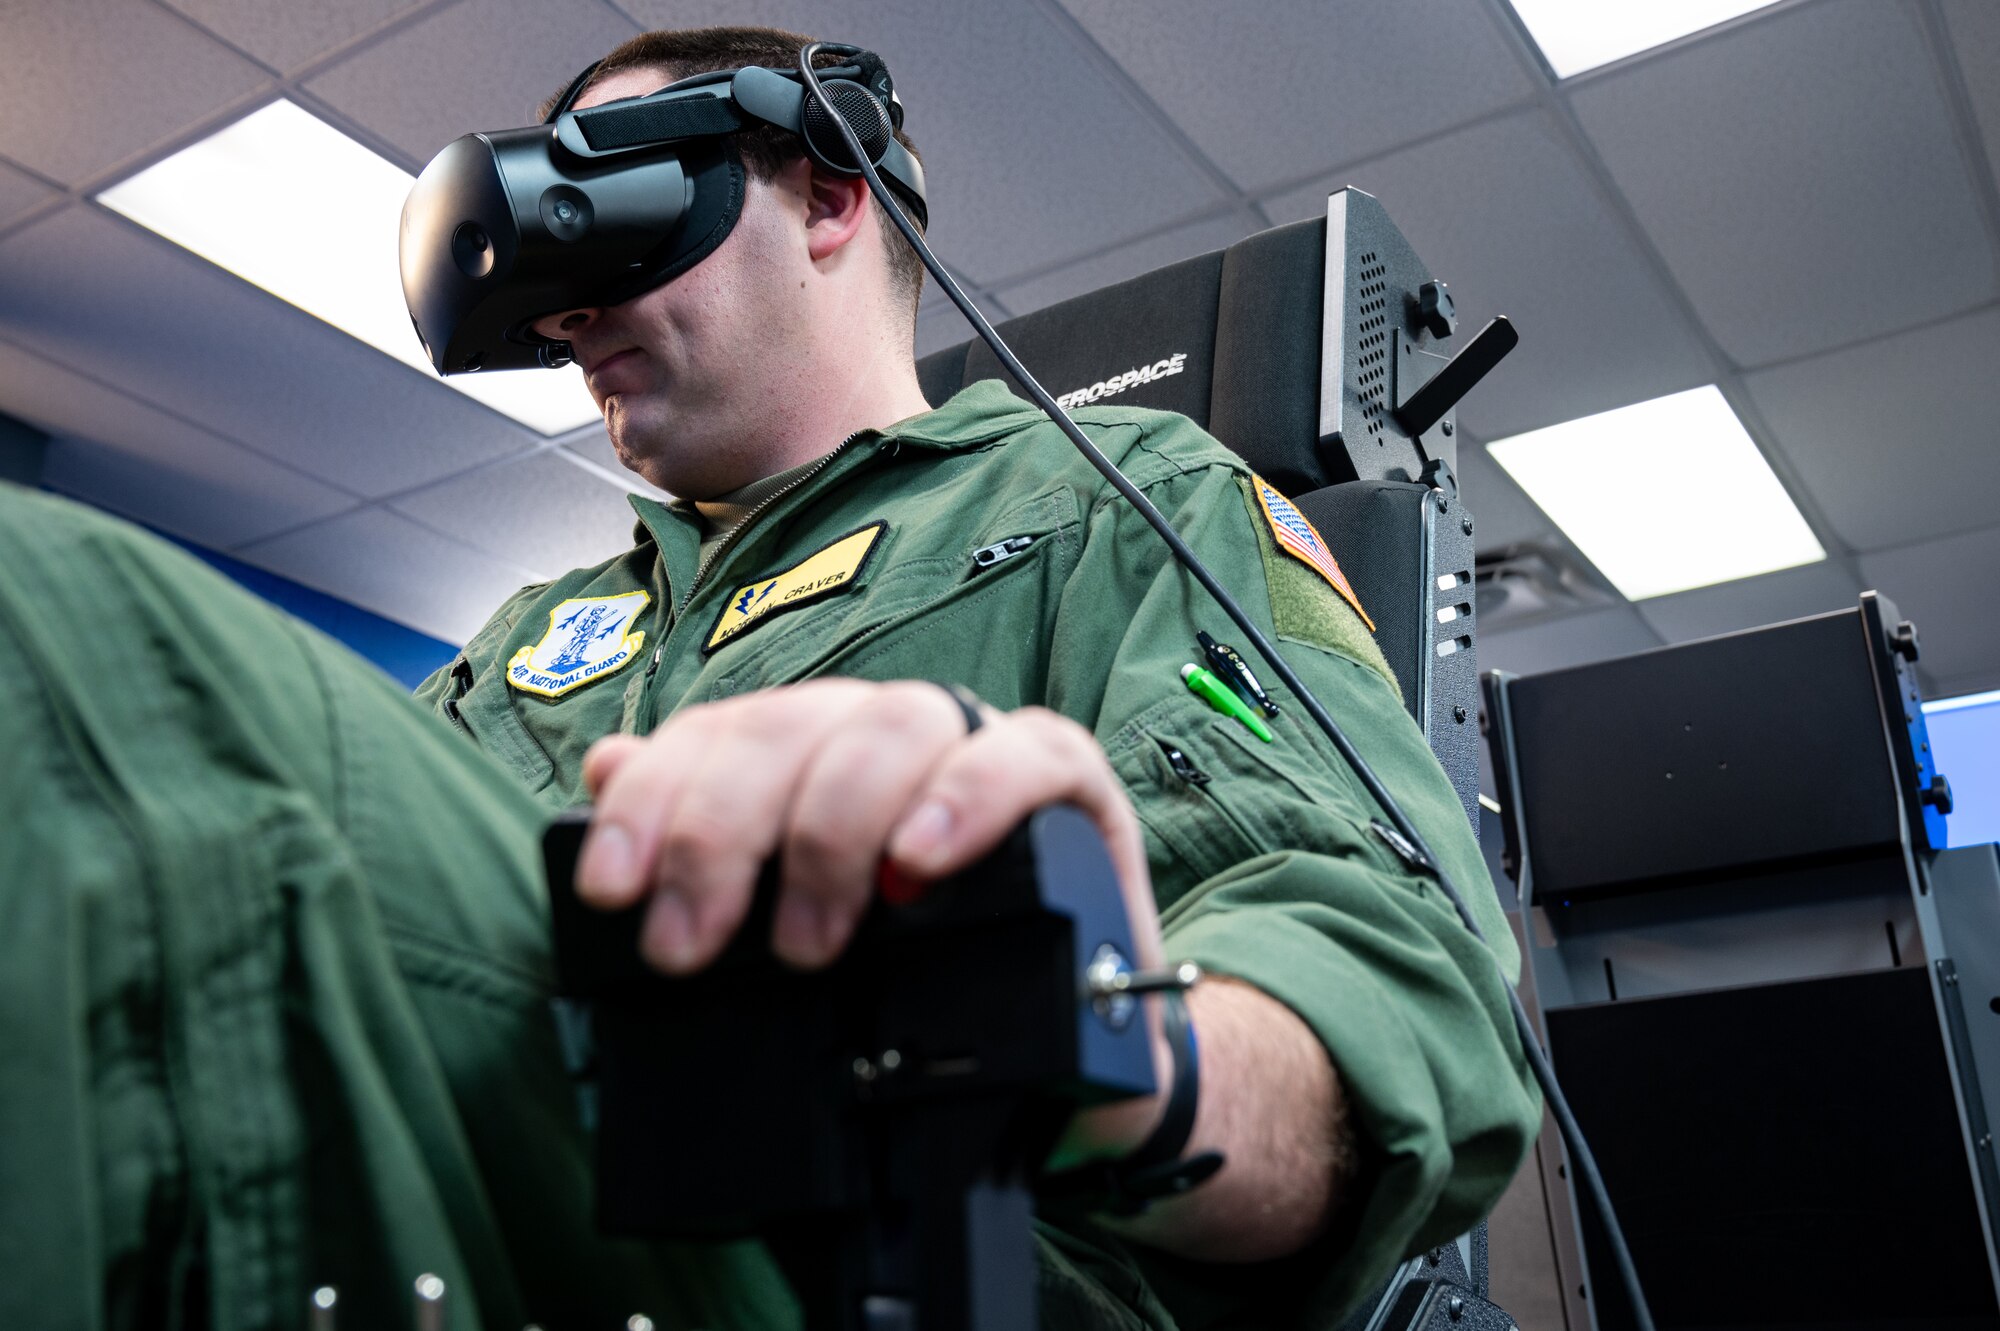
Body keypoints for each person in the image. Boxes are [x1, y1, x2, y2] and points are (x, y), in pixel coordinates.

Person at [0, 23, 1538, 1331]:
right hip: (461, 1193)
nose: (566, 308)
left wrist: (1082, 1039)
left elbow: (1388, 977)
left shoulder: (1105, 501)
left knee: (56, 616)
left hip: (856, 1247)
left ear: (830, 193)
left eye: (612, 219)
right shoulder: (530, 640)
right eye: (544, 282)